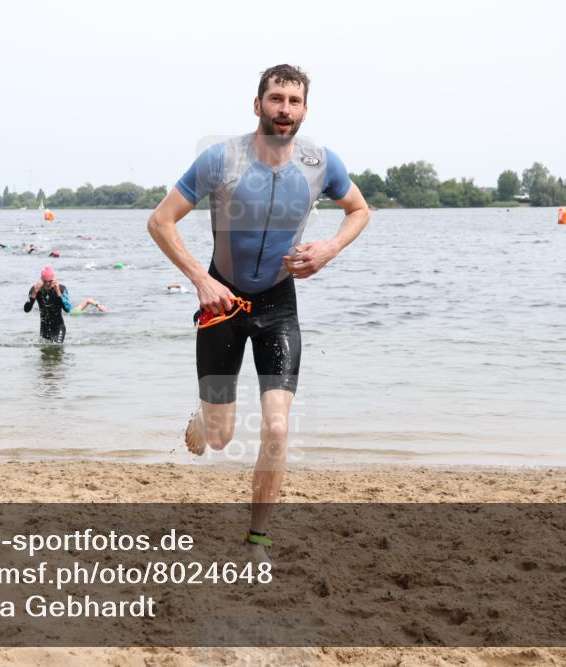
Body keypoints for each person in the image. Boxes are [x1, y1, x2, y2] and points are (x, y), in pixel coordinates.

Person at [147, 64, 369, 562]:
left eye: (294, 101)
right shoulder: (220, 159)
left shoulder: (321, 163)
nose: (284, 109)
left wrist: (330, 248)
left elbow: (359, 210)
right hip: (221, 303)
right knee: (220, 438)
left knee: (277, 427)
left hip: (278, 305)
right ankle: (205, 416)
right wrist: (201, 279)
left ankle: (257, 539)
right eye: (276, 99)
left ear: (305, 110)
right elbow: (160, 221)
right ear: (257, 105)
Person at [24, 265, 71, 342]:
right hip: (44, 329)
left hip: (59, 328)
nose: (48, 284)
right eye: (45, 281)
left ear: (54, 279)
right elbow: (26, 309)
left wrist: (58, 292)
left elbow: (68, 309)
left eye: (50, 281)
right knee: (45, 349)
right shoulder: (35, 289)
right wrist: (34, 293)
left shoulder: (62, 289)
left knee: (57, 347)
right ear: (41, 279)